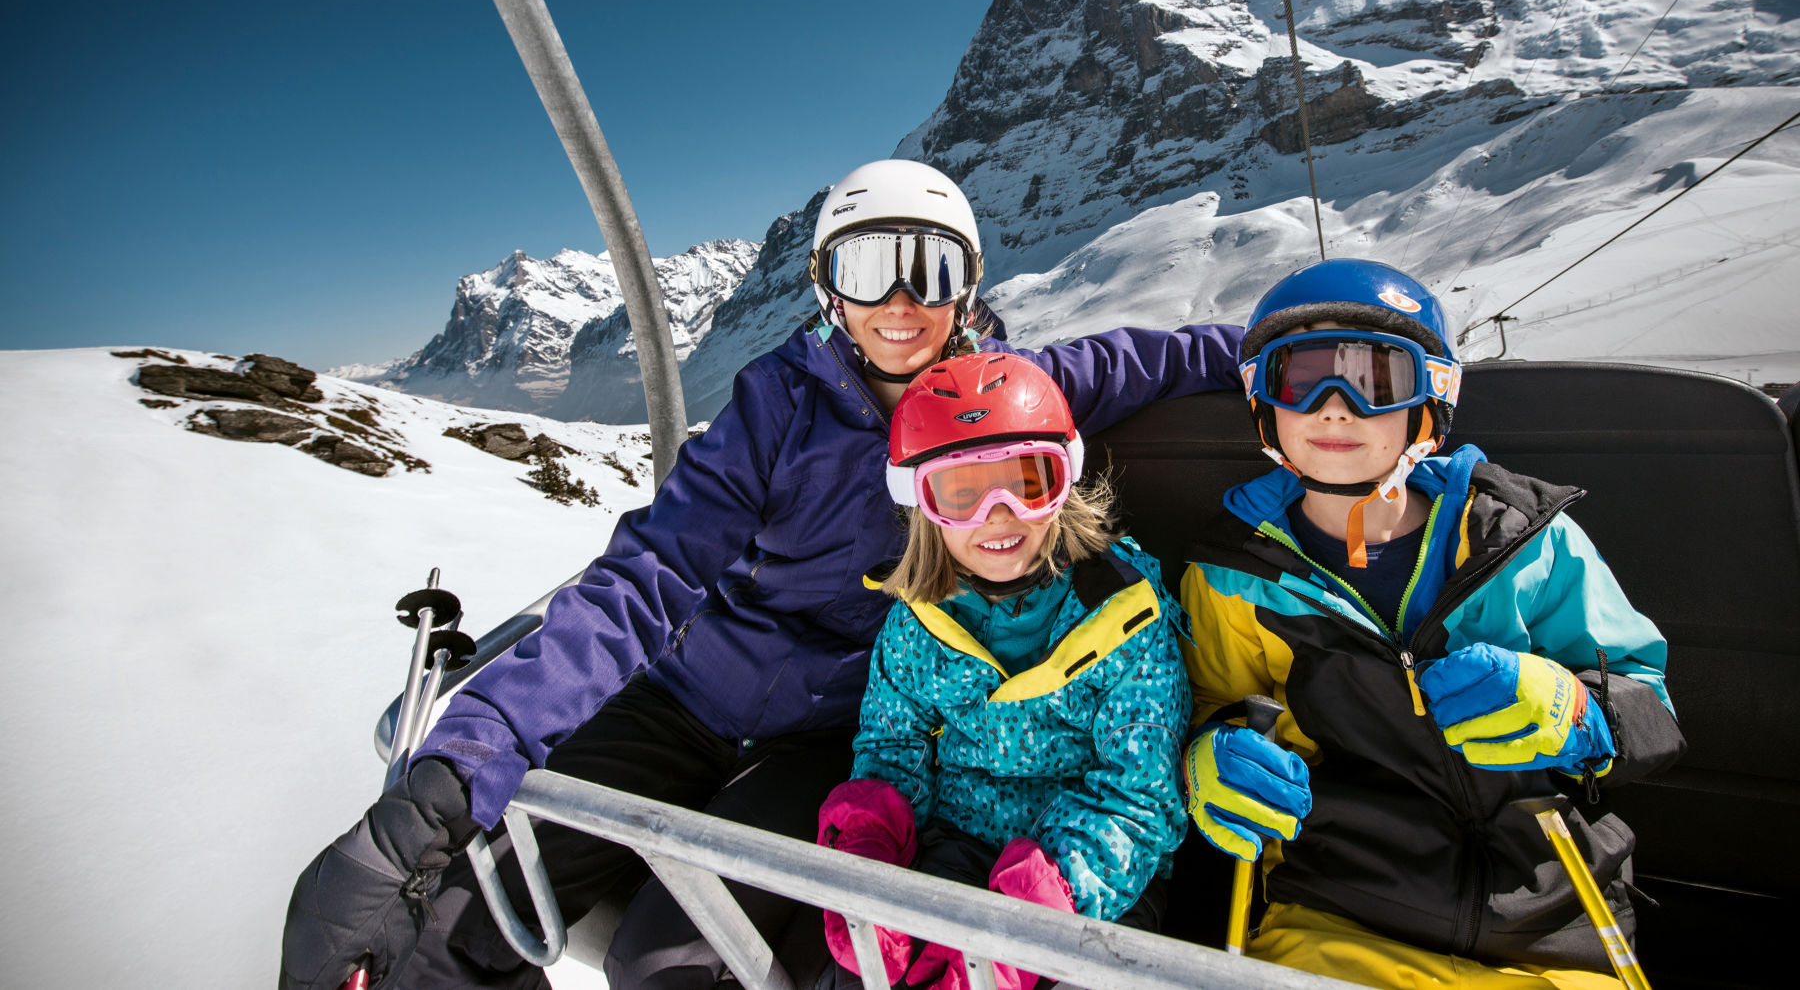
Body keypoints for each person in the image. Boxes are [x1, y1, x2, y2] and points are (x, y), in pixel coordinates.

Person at [280, 159, 1244, 990]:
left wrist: (1322, 370)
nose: (902, 303)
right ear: (827, 287)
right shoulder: (777, 406)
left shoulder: (1006, 401)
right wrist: (454, 772)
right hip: (689, 696)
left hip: (829, 736)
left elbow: (1165, 356)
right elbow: (649, 573)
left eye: (931, 268)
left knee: (677, 963)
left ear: (969, 285)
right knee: (468, 911)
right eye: (869, 269)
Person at [1174, 258, 1685, 989]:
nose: (1334, 407)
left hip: (1550, 927)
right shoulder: (1233, 575)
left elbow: (1652, 708)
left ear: (1432, 396)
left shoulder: (1523, 543)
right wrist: (1210, 759)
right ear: (1264, 402)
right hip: (1338, 913)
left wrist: (1577, 712)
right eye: (1301, 379)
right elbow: (1211, 705)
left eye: (1375, 380)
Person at [817, 354, 1189, 990]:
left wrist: (1041, 909)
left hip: (1093, 878)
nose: (997, 514)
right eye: (961, 492)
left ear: (1063, 482)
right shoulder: (919, 621)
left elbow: (1138, 795)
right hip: (955, 844)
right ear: (923, 505)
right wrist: (873, 850)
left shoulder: (1125, 616)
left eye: (1025, 481)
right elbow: (892, 743)